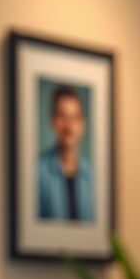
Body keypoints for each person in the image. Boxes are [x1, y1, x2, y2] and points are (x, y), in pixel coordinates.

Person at [36, 84, 94, 222]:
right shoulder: (37, 172)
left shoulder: (93, 177)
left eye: (74, 118)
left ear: (82, 125)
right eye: (63, 116)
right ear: (53, 120)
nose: (69, 126)